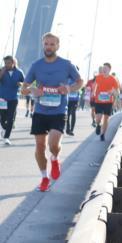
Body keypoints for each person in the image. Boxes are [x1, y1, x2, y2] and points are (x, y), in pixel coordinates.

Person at [24, 33, 82, 192]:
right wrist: (32, 90)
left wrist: (69, 89)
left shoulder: (66, 64)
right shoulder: (36, 65)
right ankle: (44, 177)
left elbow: (80, 82)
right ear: (43, 45)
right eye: (46, 44)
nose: (48, 47)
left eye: (52, 44)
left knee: (53, 145)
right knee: (40, 146)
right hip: (40, 111)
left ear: (57, 46)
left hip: (58, 111)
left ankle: (55, 159)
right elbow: (24, 88)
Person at [0, 55, 24, 145]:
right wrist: (0, 74)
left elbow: (25, 83)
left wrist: (21, 84)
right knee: (2, 119)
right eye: (5, 63)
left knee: (10, 118)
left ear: (13, 63)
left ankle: (7, 137)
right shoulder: (1, 71)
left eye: (8, 63)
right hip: (2, 98)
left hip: (13, 98)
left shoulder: (19, 72)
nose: (6, 65)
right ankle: (4, 128)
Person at [91, 63, 121, 142]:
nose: (104, 70)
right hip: (99, 101)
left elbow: (117, 91)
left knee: (106, 118)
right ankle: (98, 125)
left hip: (108, 102)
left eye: (106, 68)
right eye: (103, 68)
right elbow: (94, 85)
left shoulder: (113, 79)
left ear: (109, 70)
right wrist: (93, 92)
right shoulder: (98, 77)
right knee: (98, 118)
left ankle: (103, 134)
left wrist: (113, 93)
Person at [65, 63, 82, 136]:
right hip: (67, 99)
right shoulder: (67, 78)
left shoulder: (79, 79)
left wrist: (78, 100)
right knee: (67, 114)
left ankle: (71, 129)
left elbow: (79, 90)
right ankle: (68, 129)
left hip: (75, 99)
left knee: (73, 113)